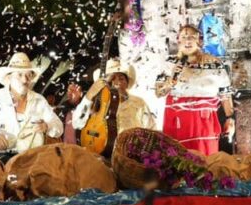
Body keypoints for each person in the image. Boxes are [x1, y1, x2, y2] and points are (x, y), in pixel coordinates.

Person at [154, 25, 234, 156]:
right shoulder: (169, 63)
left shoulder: (215, 63)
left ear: (200, 41)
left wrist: (230, 119)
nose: (188, 41)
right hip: (177, 122)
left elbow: (225, 94)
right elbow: (158, 92)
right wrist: (170, 81)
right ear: (178, 41)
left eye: (191, 37)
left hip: (204, 122)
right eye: (184, 37)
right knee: (179, 161)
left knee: (204, 161)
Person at [0, 52, 63, 154]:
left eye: (28, 75)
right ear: (9, 77)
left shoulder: (39, 100)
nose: (25, 80)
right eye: (20, 75)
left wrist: (47, 126)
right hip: (1, 159)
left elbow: (58, 126)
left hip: (32, 160)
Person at [70, 58, 156, 154]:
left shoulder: (138, 103)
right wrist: (89, 96)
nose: (116, 82)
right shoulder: (96, 101)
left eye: (121, 78)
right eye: (112, 78)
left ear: (127, 83)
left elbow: (152, 130)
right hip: (98, 156)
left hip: (127, 159)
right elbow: (77, 123)